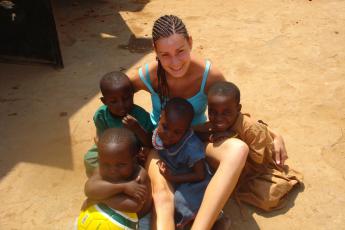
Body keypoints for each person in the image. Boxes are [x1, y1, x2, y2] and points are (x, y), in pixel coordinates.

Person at [129, 15, 256, 229]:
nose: (175, 63)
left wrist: (270, 133)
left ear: (190, 42)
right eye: (165, 55)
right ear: (155, 51)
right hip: (159, 146)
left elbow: (232, 108)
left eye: (180, 51)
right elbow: (117, 95)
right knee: (162, 196)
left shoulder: (210, 76)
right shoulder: (149, 75)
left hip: (196, 141)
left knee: (238, 150)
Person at [198, 81, 302, 211]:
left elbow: (258, 161)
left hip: (257, 170)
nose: (218, 118)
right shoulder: (215, 124)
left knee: (270, 196)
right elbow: (198, 132)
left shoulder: (252, 129)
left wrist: (230, 138)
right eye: (213, 112)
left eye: (226, 113)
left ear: (238, 109)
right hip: (238, 166)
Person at [152, 98, 213, 228]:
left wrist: (172, 177)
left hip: (195, 183)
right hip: (178, 177)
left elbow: (200, 175)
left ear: (186, 131)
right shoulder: (158, 133)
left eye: (177, 132)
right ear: (161, 117)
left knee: (180, 201)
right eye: (165, 127)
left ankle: (216, 220)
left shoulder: (191, 147)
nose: (168, 135)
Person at [84, 71, 154, 177]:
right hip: (109, 152)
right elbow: (101, 139)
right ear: (104, 101)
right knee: (90, 158)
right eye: (113, 101)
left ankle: (113, 175)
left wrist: (137, 128)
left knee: (148, 159)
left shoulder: (140, 115)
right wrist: (103, 148)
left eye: (126, 98)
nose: (121, 105)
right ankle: (120, 175)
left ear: (132, 95)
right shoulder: (101, 115)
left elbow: (150, 143)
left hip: (132, 153)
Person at [79, 128, 152, 229]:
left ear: (134, 160)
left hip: (139, 218)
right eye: (106, 164)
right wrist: (123, 187)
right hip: (111, 214)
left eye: (121, 165)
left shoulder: (139, 175)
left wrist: (97, 198)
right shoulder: (101, 169)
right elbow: (89, 189)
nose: (112, 170)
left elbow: (134, 206)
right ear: (99, 159)